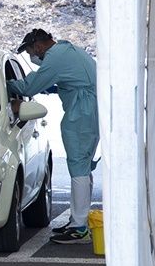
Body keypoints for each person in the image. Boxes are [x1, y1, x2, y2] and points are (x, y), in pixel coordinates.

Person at [8, 28, 100, 245]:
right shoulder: (69, 51)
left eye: (31, 51)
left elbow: (30, 86)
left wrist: (8, 85)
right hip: (88, 109)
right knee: (83, 167)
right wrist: (54, 88)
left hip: (82, 112)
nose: (32, 56)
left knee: (78, 167)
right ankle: (78, 221)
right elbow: (75, 81)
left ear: (38, 46)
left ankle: (79, 228)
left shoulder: (55, 57)